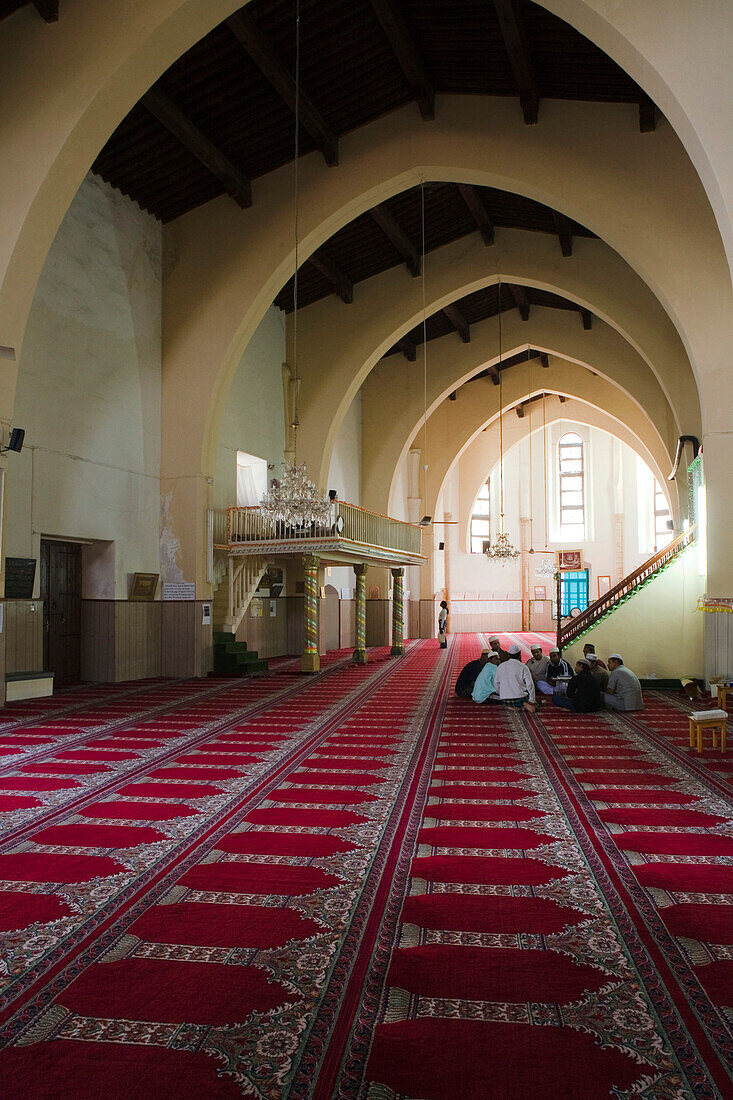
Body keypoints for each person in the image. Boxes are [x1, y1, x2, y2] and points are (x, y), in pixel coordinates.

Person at [494, 644, 535, 710]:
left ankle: (512, 707)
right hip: (520, 699)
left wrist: (502, 693)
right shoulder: (523, 667)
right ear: (519, 655)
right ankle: (523, 705)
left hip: (505, 700)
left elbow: (496, 683)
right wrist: (532, 701)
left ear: (509, 655)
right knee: (536, 706)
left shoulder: (501, 666)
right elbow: (530, 684)